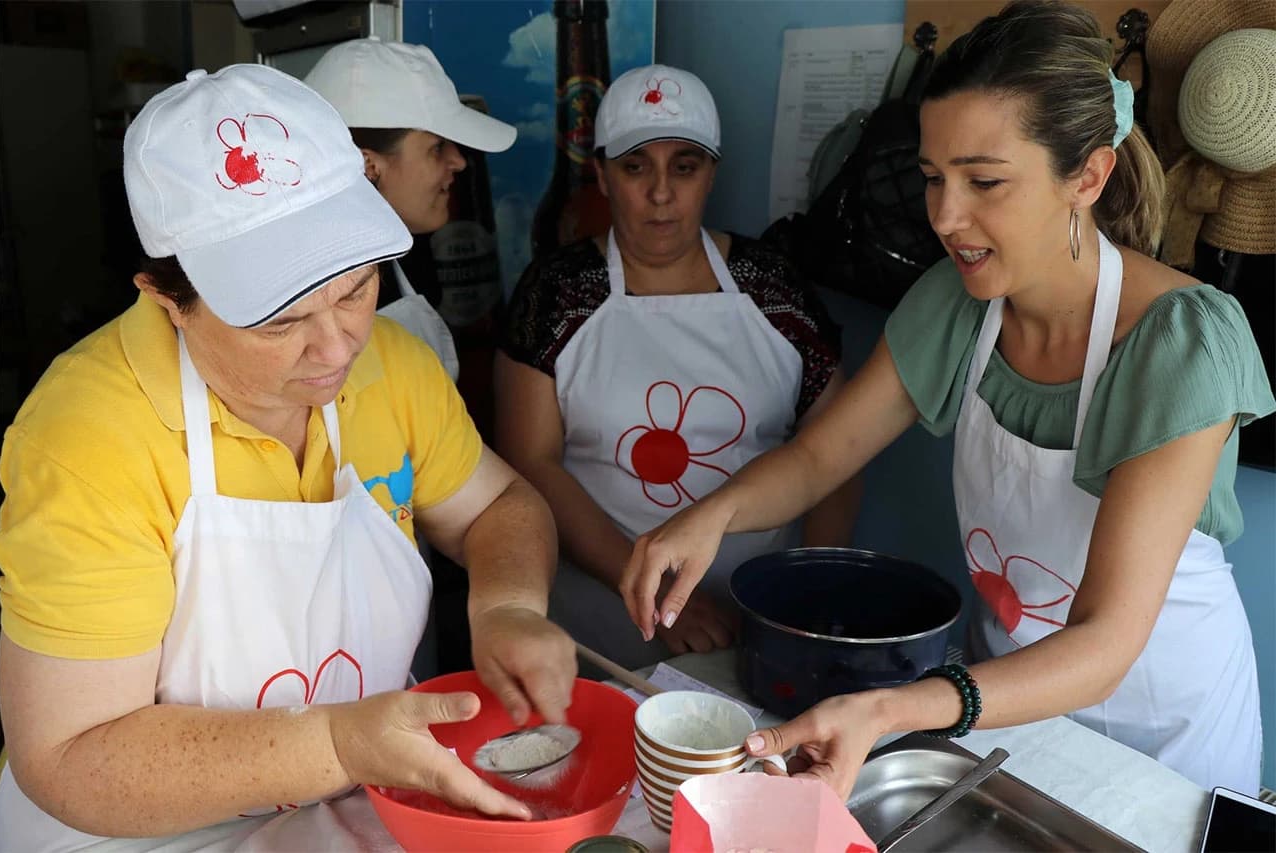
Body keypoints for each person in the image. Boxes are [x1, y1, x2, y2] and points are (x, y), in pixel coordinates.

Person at [620, 0, 1275, 797]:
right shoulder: (958, 303)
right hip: (1008, 712)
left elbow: (1106, 641)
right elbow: (823, 455)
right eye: (933, 177)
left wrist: (901, 706)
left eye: (984, 181)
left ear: (1088, 177)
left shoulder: (1182, 344)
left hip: (1168, 742)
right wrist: (712, 515)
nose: (945, 216)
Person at [0, 64, 576, 850]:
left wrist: (507, 604)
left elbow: (500, 506)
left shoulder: (394, 366)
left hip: (344, 805)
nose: (338, 347)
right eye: (280, 320)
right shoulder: (87, 435)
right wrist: (335, 742)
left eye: (355, 288)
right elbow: (69, 758)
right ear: (169, 300)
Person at [495, 64, 863, 670]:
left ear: (711, 174)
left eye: (684, 167)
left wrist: (809, 592)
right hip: (605, 605)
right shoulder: (557, 294)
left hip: (763, 601)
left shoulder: (772, 287)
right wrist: (654, 595)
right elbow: (530, 462)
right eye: (636, 167)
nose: (661, 193)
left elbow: (838, 449)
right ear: (603, 176)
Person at [304, 37, 518, 381]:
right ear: (367, 166)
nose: (459, 162)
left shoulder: (396, 263)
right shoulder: (315, 312)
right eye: (436, 147)